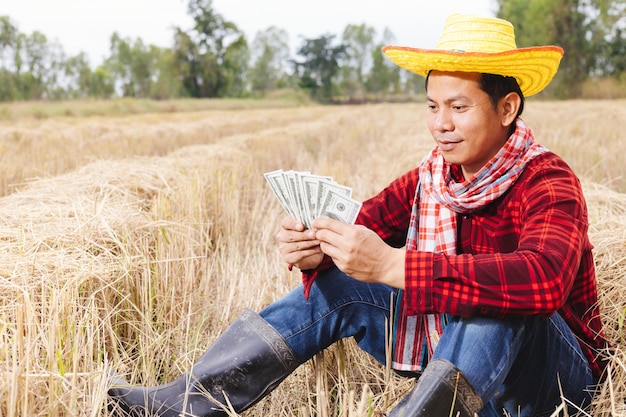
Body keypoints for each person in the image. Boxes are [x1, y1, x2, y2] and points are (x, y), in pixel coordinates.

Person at [108, 14, 609, 417]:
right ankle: (187, 402)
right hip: (457, 361)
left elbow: (542, 281)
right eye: (433, 106)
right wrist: (315, 247)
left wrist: (395, 266)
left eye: (458, 107)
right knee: (338, 286)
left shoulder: (547, 179)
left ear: (506, 108)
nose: (441, 125)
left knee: (495, 296)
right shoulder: (431, 178)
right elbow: (361, 226)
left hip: (554, 382)